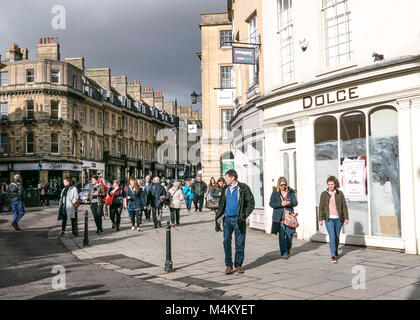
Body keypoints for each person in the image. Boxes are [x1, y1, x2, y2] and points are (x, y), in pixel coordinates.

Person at [215, 170, 255, 275]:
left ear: (233, 178)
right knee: (226, 242)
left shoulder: (243, 188)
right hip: (227, 219)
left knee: (240, 243)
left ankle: (238, 265)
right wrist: (219, 212)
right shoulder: (225, 189)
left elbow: (251, 203)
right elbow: (221, 203)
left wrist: (244, 215)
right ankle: (228, 265)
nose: (225, 179)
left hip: (239, 220)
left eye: (227, 177)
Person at [319, 176, 349, 264]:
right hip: (328, 219)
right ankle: (333, 255)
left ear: (335, 184)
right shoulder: (324, 194)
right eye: (329, 184)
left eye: (332, 184)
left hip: (338, 218)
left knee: (336, 236)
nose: (330, 186)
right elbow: (321, 207)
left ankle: (335, 250)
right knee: (332, 236)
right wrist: (320, 219)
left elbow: (344, 206)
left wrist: (346, 217)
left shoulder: (340, 194)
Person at [269, 177, 298, 260]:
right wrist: (281, 204)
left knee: (289, 235)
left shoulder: (291, 192)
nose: (283, 186)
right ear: (279, 184)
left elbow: (295, 203)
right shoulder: (275, 192)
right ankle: (284, 253)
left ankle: (288, 248)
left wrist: (289, 203)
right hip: (279, 217)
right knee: (281, 236)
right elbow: (271, 204)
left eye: (285, 185)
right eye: (282, 185)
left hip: (289, 217)